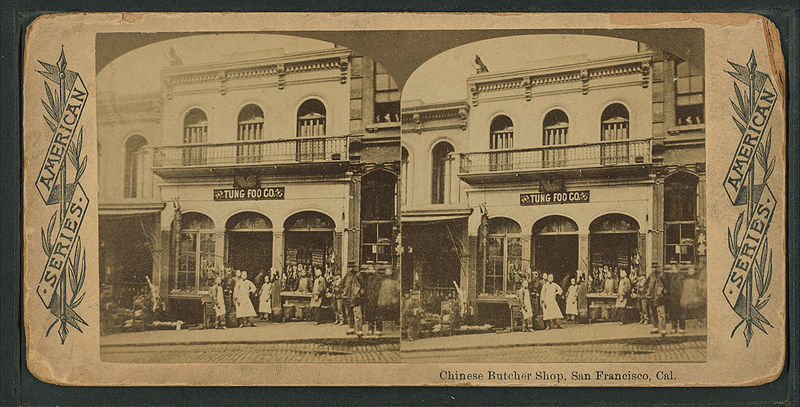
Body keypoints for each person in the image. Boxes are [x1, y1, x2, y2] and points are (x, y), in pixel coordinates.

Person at [342, 263, 364, 337]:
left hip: (356, 297)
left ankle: (359, 330)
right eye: (350, 267)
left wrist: (359, 292)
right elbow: (342, 284)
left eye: (353, 267)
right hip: (348, 296)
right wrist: (344, 292)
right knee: (349, 313)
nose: (351, 268)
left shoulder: (358, 275)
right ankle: (351, 328)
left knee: (358, 314)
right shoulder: (347, 275)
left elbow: (363, 286)